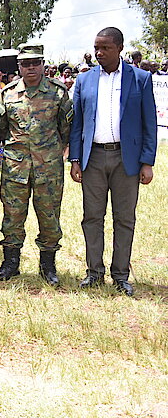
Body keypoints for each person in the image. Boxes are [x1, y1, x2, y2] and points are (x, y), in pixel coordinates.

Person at [69, 27, 157, 297]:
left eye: (105, 48)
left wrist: (147, 161)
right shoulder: (84, 80)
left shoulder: (140, 78)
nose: (99, 53)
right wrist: (75, 158)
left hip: (126, 159)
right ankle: (94, 272)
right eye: (96, 47)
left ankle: (120, 275)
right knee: (92, 218)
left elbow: (149, 122)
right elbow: (77, 123)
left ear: (119, 48)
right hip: (93, 158)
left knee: (125, 219)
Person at [0, 44, 73, 285]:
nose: (31, 68)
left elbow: (65, 129)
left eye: (35, 63)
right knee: (12, 217)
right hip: (15, 169)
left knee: (49, 218)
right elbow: (2, 128)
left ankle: (48, 266)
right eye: (26, 64)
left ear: (42, 64)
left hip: (48, 169)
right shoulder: (7, 94)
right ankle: (10, 264)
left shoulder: (58, 93)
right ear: (19, 66)